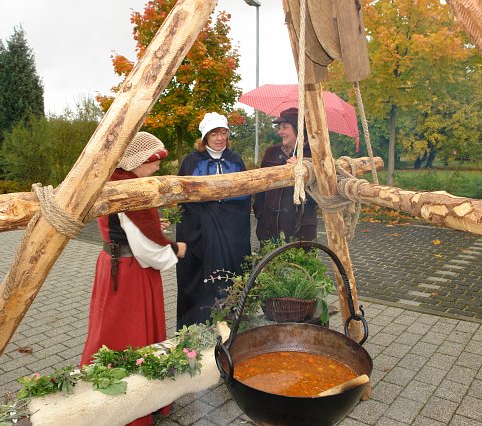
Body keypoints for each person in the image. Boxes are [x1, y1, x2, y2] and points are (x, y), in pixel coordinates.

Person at [80, 132, 186, 426]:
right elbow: (147, 249)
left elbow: (124, 225)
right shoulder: (134, 192)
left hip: (110, 265)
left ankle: (101, 392)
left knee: (107, 330)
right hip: (131, 273)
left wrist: (153, 226)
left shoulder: (111, 181)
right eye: (154, 161)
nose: (157, 167)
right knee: (131, 336)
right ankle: (131, 406)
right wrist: (174, 249)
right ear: (136, 161)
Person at [175, 112, 251, 329]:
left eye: (223, 133)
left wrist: (226, 213)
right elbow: (184, 201)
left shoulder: (235, 160)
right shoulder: (191, 161)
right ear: (205, 137)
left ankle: (233, 326)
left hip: (231, 231)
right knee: (201, 279)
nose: (219, 138)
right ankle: (198, 327)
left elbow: (246, 195)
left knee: (231, 277)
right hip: (201, 233)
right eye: (214, 133)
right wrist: (208, 216)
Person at [253, 107, 318, 243]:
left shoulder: (313, 155)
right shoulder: (271, 152)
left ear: (298, 129)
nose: (280, 132)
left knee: (300, 257)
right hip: (269, 228)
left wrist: (303, 168)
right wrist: (261, 215)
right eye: (279, 127)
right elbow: (260, 189)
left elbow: (321, 192)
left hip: (300, 229)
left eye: (285, 127)